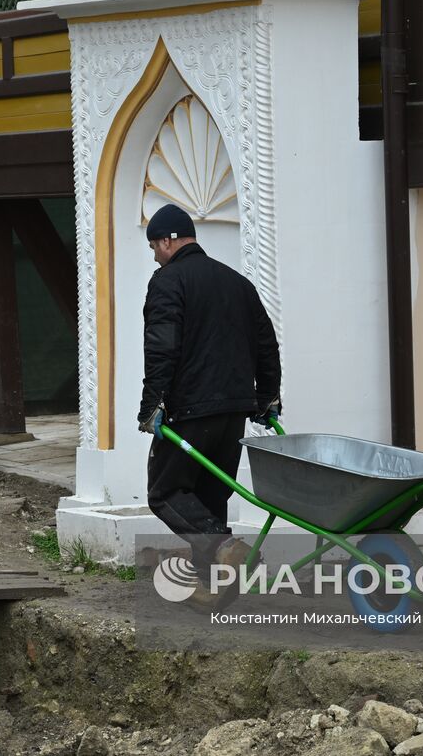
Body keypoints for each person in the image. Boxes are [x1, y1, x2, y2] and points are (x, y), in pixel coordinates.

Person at [137, 203, 281, 602]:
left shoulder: (168, 282)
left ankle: (222, 549)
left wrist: (153, 404)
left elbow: (161, 348)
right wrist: (267, 397)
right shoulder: (238, 283)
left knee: (164, 492)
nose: (154, 255)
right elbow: (266, 345)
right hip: (234, 411)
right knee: (211, 497)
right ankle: (214, 587)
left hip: (191, 410)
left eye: (154, 246)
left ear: (169, 241)